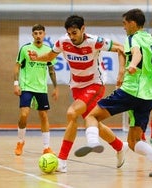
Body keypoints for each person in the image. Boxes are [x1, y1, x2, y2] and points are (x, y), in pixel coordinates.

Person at [74, 9, 152, 177]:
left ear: (133, 23)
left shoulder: (132, 38)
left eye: (125, 24)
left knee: (91, 116)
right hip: (148, 97)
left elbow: (136, 54)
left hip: (131, 91)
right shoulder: (150, 40)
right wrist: (121, 72)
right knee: (134, 141)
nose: (124, 28)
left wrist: (132, 65)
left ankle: (93, 142)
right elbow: (141, 56)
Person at [29, 15, 128, 173]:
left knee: (72, 113)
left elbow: (122, 48)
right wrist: (38, 57)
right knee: (93, 121)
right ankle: (119, 146)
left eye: (74, 33)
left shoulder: (94, 41)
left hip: (94, 85)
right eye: (69, 33)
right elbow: (49, 56)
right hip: (76, 87)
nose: (71, 37)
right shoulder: (63, 42)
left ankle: (62, 160)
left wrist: (121, 71)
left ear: (83, 29)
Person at [13, 24, 58, 156]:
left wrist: (55, 87)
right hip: (26, 87)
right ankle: (20, 142)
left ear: (44, 34)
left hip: (41, 89)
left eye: (40, 33)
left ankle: (46, 147)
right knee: (24, 114)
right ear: (32, 35)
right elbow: (17, 67)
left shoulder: (48, 50)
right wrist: (16, 83)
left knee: (43, 116)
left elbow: (51, 69)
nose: (38, 35)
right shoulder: (25, 49)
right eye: (36, 33)